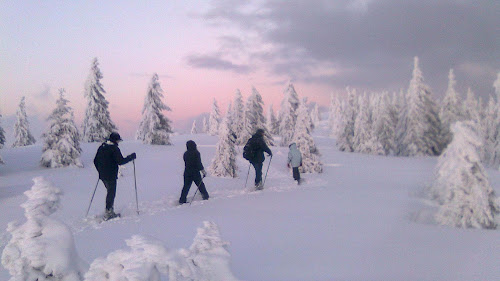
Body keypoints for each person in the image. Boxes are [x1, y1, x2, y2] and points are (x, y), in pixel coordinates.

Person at [94, 132, 136, 220]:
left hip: (102, 176)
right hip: (111, 175)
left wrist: (100, 171)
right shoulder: (114, 148)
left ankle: (109, 210)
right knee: (111, 193)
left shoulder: (102, 146)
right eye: (118, 140)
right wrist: (131, 157)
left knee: (110, 192)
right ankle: (109, 212)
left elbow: (95, 160)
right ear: (115, 140)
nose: (118, 142)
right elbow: (120, 161)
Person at [179, 140, 210, 204]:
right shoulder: (196, 153)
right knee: (200, 185)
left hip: (187, 173)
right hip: (195, 173)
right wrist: (203, 171)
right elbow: (199, 163)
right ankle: (205, 196)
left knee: (186, 187)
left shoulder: (185, 154)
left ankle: (182, 200)